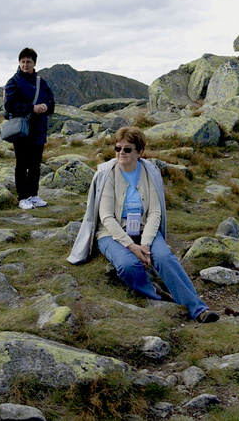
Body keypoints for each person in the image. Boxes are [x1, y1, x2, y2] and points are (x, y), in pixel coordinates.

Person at [65, 128, 219, 323]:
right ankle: (158, 294)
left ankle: (198, 309)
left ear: (140, 152)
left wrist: (144, 245)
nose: (121, 153)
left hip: (143, 229)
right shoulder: (107, 174)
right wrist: (132, 247)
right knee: (128, 265)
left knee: (165, 258)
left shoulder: (150, 172)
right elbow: (106, 217)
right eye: (118, 148)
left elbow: (155, 212)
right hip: (111, 234)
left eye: (127, 149)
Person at [3, 47, 53, 210]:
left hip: (38, 129)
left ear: (34, 63)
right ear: (19, 63)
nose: (25, 64)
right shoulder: (13, 81)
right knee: (22, 163)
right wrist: (32, 108)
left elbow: (52, 102)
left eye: (28, 61)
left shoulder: (41, 82)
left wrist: (45, 106)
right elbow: (10, 105)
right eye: (23, 61)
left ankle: (34, 195)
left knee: (35, 164)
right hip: (22, 130)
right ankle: (22, 197)